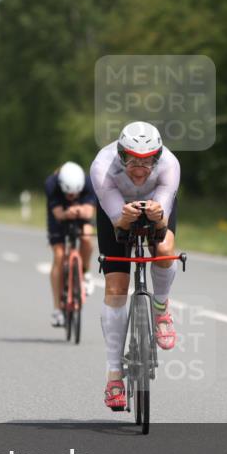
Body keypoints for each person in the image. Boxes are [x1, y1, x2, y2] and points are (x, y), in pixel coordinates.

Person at [90, 121, 180, 411]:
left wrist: (157, 215)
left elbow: (163, 222)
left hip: (156, 206)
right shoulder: (102, 167)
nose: (140, 169)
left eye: (147, 162)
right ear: (120, 154)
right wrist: (126, 217)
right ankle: (114, 374)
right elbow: (118, 222)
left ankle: (161, 309)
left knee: (165, 250)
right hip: (115, 212)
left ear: (158, 156)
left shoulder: (170, 164)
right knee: (116, 287)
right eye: (132, 161)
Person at [45, 162, 97, 327]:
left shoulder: (89, 183)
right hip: (58, 217)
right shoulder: (52, 184)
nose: (72, 197)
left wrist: (80, 211)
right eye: (69, 195)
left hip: (80, 214)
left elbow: (89, 212)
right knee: (59, 255)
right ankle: (56, 310)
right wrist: (67, 212)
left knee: (87, 238)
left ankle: (86, 273)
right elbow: (58, 214)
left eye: (75, 194)